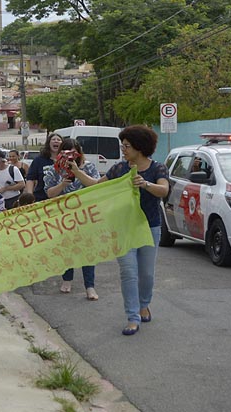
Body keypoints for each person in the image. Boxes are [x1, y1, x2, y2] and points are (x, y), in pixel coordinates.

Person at [71, 125, 169, 336]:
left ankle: (144, 304)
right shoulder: (119, 169)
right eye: (122, 145)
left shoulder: (157, 169)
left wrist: (146, 184)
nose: (122, 149)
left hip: (150, 227)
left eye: (126, 146)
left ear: (140, 147)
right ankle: (133, 317)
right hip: (123, 229)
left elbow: (164, 189)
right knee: (128, 273)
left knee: (146, 274)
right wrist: (77, 172)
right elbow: (97, 185)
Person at [44, 139, 100, 301]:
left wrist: (77, 172)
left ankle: (90, 286)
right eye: (66, 154)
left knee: (88, 250)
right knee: (66, 248)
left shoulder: (88, 167)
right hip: (64, 216)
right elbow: (50, 193)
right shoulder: (54, 170)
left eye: (73, 154)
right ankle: (67, 280)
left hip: (85, 214)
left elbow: (95, 185)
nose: (70, 158)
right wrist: (62, 184)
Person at [25, 133, 63, 202]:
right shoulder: (39, 160)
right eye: (53, 139)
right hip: (42, 198)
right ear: (48, 143)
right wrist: (30, 195)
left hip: (62, 199)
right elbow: (30, 178)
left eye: (58, 140)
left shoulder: (66, 160)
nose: (56, 141)